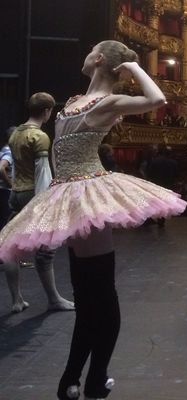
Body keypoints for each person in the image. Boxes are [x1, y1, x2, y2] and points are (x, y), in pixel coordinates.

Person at [0, 40, 187, 400]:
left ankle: (90, 377)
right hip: (66, 192)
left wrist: (131, 66)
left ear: (98, 59)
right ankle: (77, 379)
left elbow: (157, 99)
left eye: (91, 51)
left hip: (89, 192)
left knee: (99, 293)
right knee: (88, 294)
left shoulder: (107, 102)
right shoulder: (71, 103)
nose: (86, 55)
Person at [2, 94, 74, 314]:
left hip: (15, 193)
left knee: (9, 247)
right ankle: (54, 299)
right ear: (47, 111)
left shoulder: (15, 134)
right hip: (33, 194)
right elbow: (42, 172)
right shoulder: (39, 136)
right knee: (45, 251)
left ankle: (17, 300)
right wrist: (46, 203)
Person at [147, 144, 179, 227]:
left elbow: (150, 174)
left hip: (156, 184)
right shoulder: (174, 163)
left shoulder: (155, 161)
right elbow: (176, 175)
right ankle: (161, 220)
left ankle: (151, 217)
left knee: (154, 202)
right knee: (164, 203)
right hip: (168, 185)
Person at [0, 126, 14, 227]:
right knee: (6, 222)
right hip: (6, 191)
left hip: (2, 190)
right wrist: (11, 184)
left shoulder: (2, 150)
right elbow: (1, 168)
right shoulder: (9, 152)